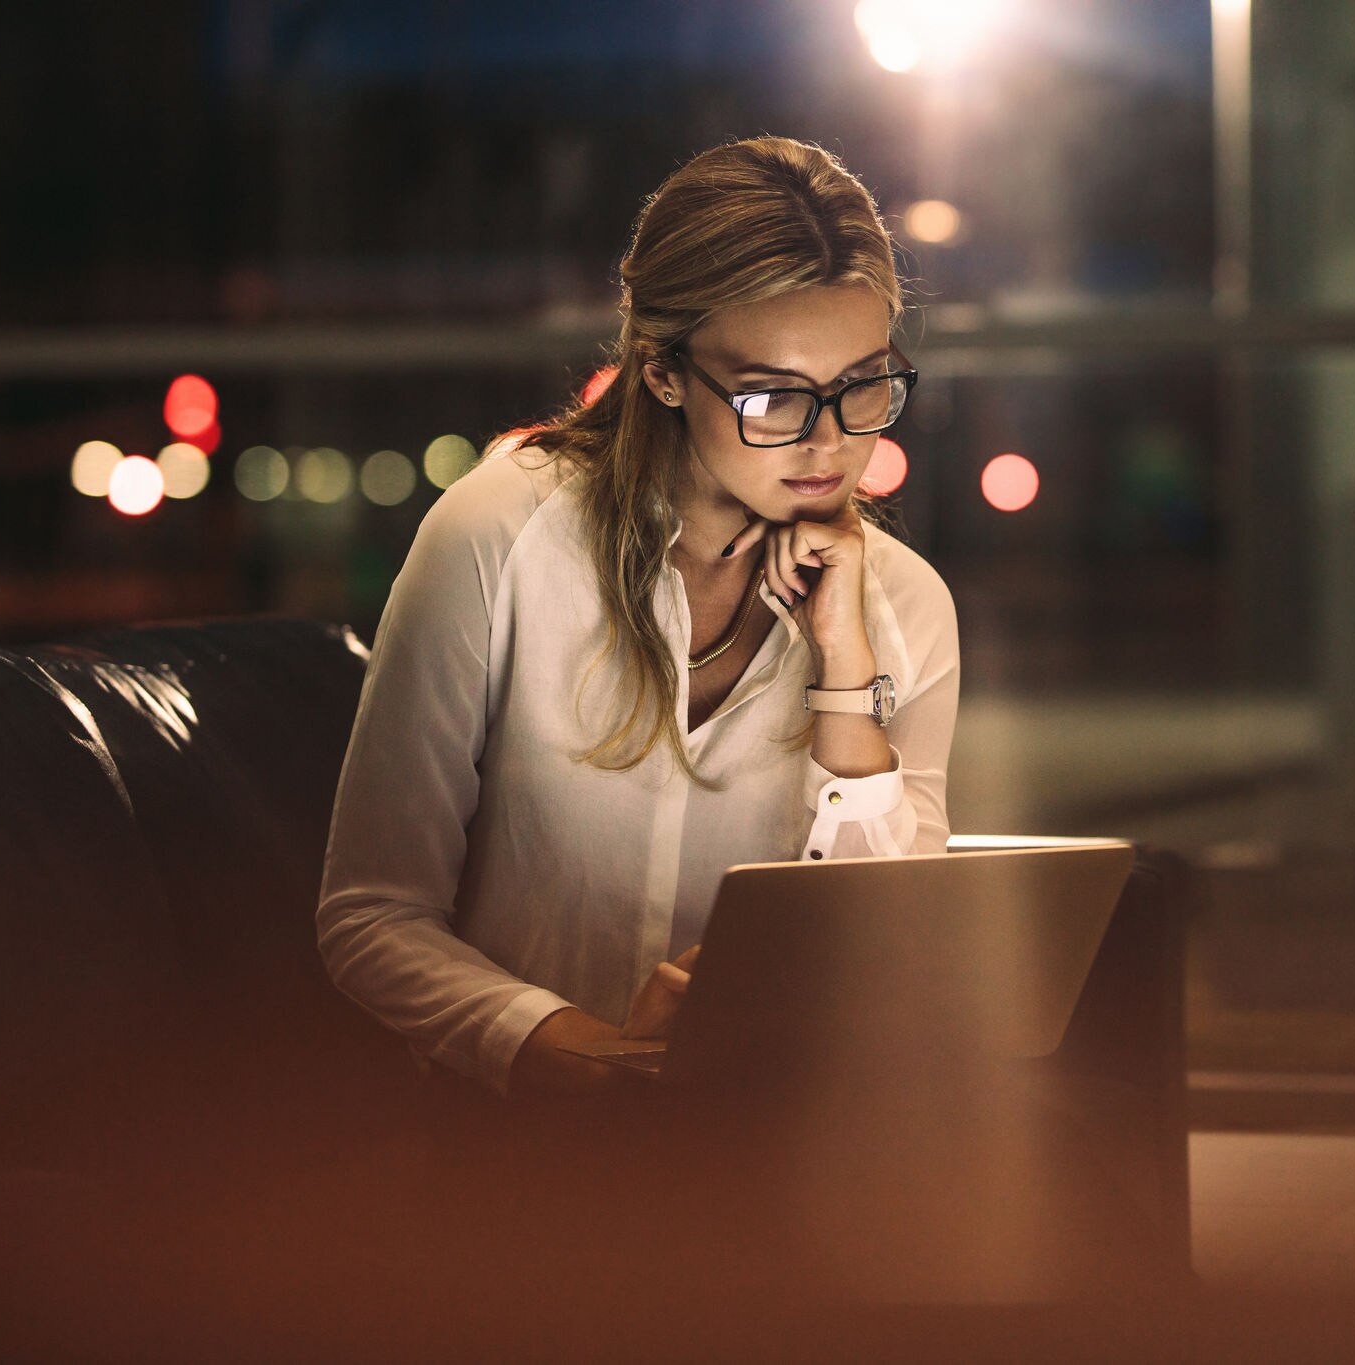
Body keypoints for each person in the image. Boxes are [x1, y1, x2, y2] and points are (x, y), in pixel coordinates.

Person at [314, 136, 959, 1106]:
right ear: (660, 372)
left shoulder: (901, 604)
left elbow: (896, 949)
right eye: (771, 395)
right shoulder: (500, 534)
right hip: (509, 1136)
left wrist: (841, 668)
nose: (830, 442)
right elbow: (369, 917)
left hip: (780, 1133)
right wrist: (554, 1045)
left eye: (863, 384)